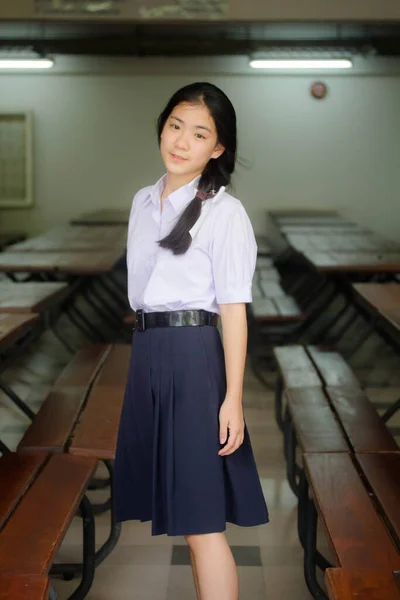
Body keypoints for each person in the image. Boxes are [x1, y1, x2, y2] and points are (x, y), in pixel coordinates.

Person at [113, 81, 269, 600]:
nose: (181, 141)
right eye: (176, 125)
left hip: (193, 358)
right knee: (183, 517)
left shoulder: (226, 213)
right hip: (149, 355)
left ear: (218, 148)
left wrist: (233, 398)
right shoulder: (142, 200)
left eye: (199, 133)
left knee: (202, 522)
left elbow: (234, 312)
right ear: (162, 125)